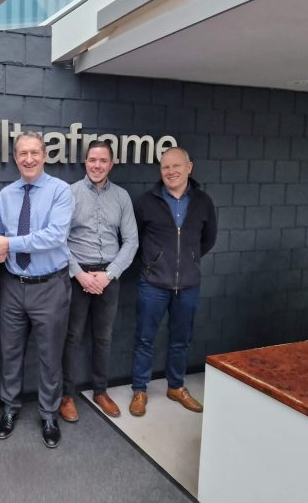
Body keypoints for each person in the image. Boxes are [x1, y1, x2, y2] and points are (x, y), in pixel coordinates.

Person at [0, 132, 73, 448]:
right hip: (12, 286)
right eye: (23, 153)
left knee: (50, 355)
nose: (29, 159)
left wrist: (9, 244)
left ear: (44, 155)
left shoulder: (60, 191)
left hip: (50, 286)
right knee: (10, 352)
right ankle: (9, 409)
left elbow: (55, 236)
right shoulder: (6, 195)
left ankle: (48, 414)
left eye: (34, 152)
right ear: (16, 157)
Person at [129, 146, 217, 417]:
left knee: (181, 339)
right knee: (144, 339)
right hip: (153, 284)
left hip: (188, 285)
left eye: (176, 166)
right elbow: (134, 239)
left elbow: (209, 239)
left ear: (189, 168)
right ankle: (139, 389)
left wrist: (189, 259)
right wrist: (153, 262)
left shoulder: (203, 201)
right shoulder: (145, 202)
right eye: (165, 167)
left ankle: (176, 387)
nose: (171, 172)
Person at [59, 140, 138, 423]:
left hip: (109, 278)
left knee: (104, 337)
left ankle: (100, 391)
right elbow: (59, 240)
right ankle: (67, 395)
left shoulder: (122, 197)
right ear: (85, 162)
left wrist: (109, 274)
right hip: (77, 277)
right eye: (92, 160)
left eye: (103, 160)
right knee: (71, 337)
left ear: (111, 164)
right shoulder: (70, 194)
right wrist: (80, 274)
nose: (97, 165)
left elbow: (131, 241)